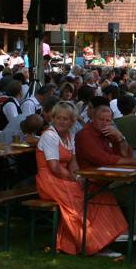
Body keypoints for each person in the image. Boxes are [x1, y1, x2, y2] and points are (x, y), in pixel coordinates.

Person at [35, 101, 127, 256]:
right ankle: (92, 243)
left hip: (63, 178)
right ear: (53, 118)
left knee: (96, 191)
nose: (61, 121)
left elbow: (73, 162)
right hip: (50, 180)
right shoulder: (49, 136)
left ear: (72, 121)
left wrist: (80, 177)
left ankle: (108, 234)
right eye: (58, 118)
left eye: (65, 119)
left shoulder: (69, 136)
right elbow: (54, 168)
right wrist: (74, 179)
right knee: (79, 199)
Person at [76, 104, 136, 240]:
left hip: (108, 180)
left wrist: (120, 138)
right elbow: (103, 159)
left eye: (108, 120)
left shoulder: (109, 134)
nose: (104, 123)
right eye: (101, 120)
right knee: (132, 190)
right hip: (92, 184)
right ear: (92, 118)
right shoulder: (85, 135)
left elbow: (126, 155)